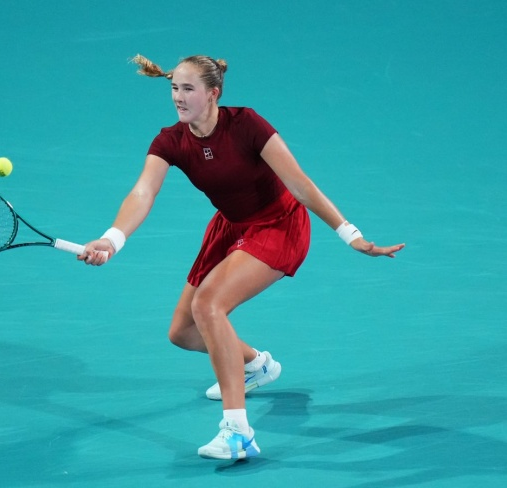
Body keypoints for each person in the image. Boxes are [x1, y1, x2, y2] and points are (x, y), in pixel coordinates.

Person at [79, 54, 405, 460]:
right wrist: (112, 239)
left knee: (208, 304)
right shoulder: (170, 141)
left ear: (213, 93)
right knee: (182, 332)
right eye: (174, 88)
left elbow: (300, 184)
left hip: (278, 225)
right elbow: (143, 192)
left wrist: (350, 235)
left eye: (188, 89)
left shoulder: (247, 124)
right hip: (231, 227)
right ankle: (255, 366)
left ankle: (238, 432)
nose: (178, 97)